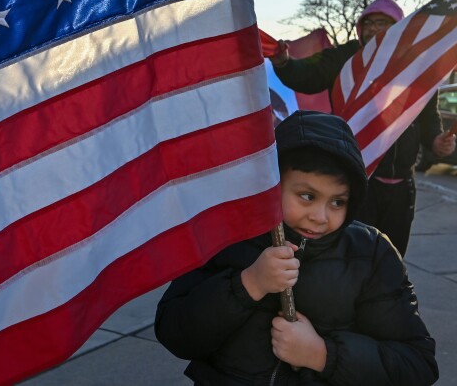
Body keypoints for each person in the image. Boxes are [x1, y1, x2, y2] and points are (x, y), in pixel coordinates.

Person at [155, 110, 438, 385]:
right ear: (272, 184)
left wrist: (323, 355)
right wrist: (247, 285)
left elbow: (417, 365)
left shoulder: (370, 253)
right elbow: (175, 333)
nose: (320, 216)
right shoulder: (228, 234)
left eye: (337, 202)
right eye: (307, 196)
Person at [270, 0, 456, 256]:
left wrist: (437, 141)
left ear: (397, 28)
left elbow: (428, 120)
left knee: (391, 254)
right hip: (357, 179)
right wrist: (285, 64)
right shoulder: (347, 57)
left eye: (381, 23)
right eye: (367, 23)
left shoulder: (416, 66)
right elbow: (310, 75)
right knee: (352, 253)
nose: (372, 28)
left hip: (402, 186)